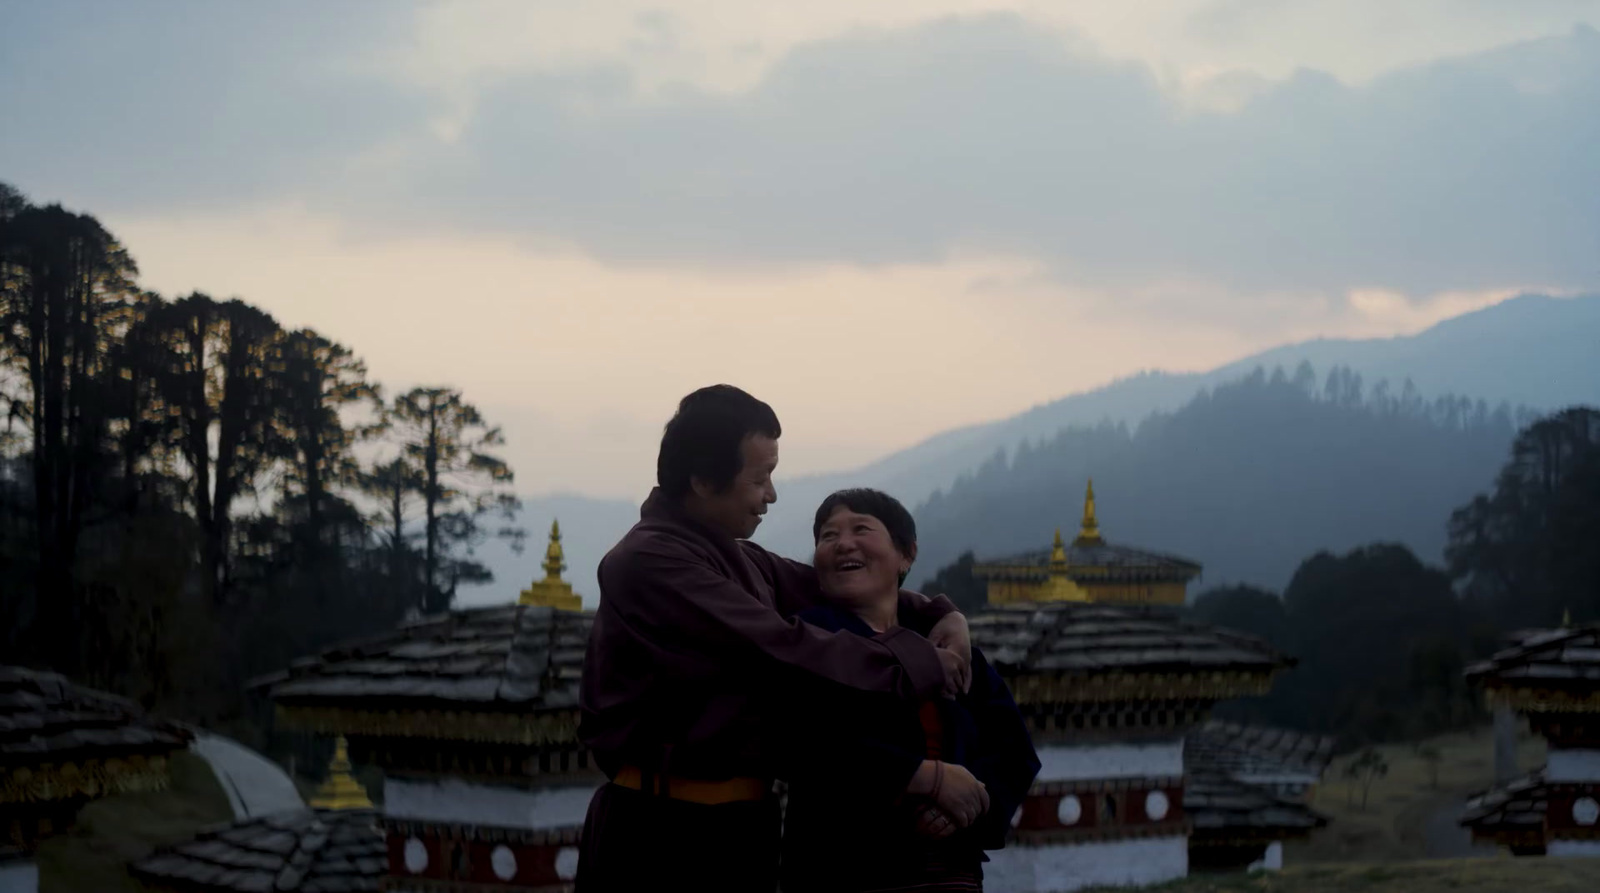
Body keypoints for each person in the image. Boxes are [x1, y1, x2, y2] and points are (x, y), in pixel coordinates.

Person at [575, 386, 985, 892]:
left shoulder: (737, 558)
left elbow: (835, 584)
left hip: (742, 830)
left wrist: (941, 614)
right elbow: (785, 648)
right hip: (664, 832)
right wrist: (920, 665)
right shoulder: (652, 563)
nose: (771, 494)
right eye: (760, 478)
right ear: (703, 481)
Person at [780, 488, 1041, 893]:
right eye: (827, 536)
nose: (843, 543)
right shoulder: (806, 636)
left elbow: (1013, 749)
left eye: (861, 528)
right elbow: (809, 738)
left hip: (951, 871)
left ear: (906, 554)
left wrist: (968, 806)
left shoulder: (948, 646)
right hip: (844, 870)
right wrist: (924, 781)